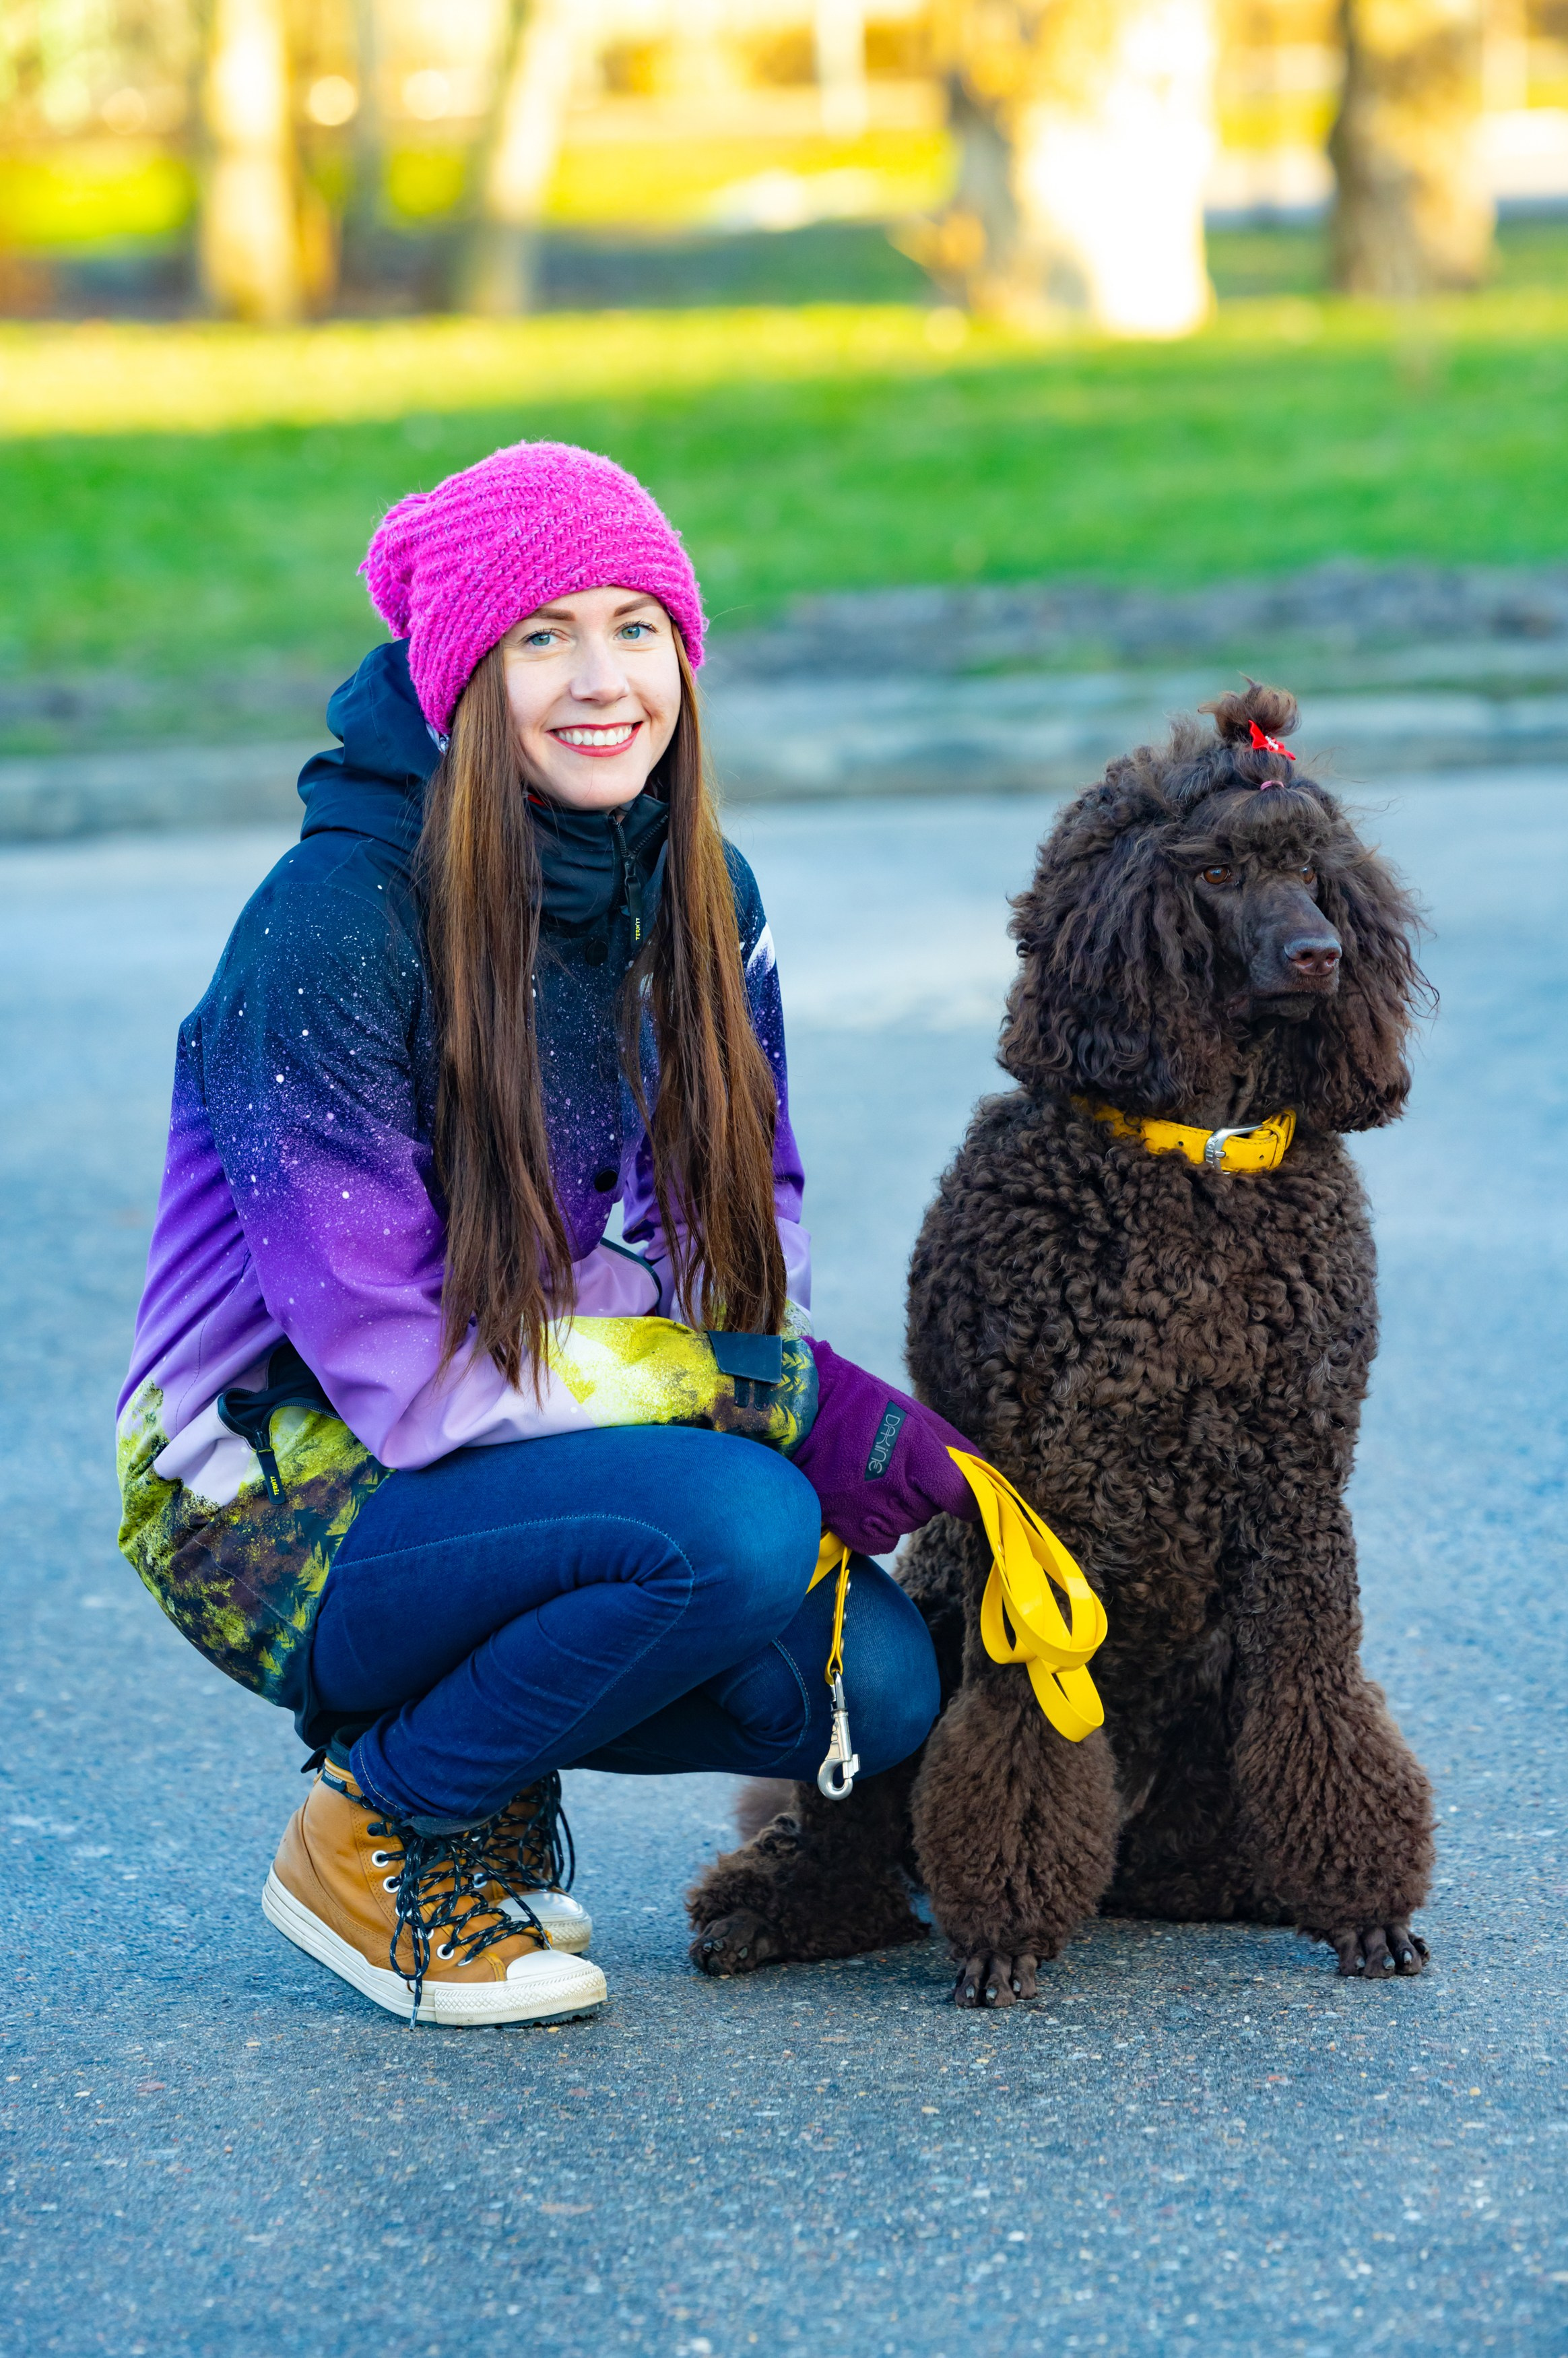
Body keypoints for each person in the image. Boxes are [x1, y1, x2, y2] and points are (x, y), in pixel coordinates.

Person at [116, 441, 983, 2031]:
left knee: (872, 1681)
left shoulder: (698, 893)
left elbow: (740, 1230)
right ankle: (376, 1832)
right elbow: (394, 1368)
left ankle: (482, 1774)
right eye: (543, 636)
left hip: (520, 1428)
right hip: (275, 1491)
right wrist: (739, 1395)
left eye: (637, 628)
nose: (603, 681)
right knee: (726, 1523)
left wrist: (758, 1376)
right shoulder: (330, 925)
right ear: (463, 674)